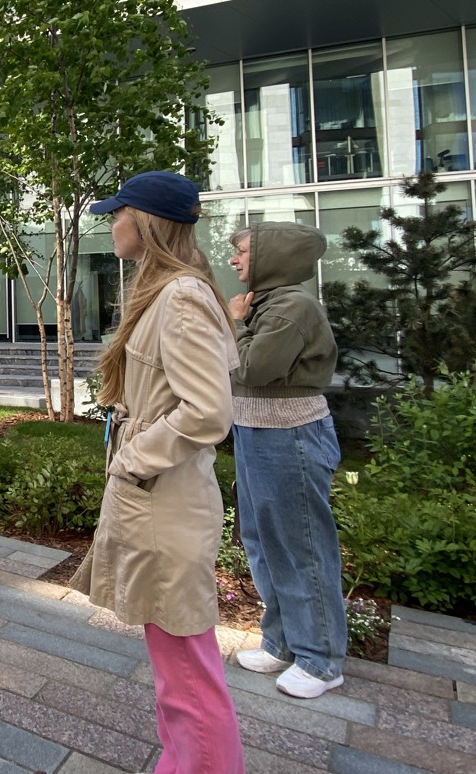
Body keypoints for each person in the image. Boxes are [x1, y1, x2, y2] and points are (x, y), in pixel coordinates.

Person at [73, 171, 245, 774]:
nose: (110, 221)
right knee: (178, 666)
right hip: (158, 498)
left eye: (118, 211)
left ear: (144, 220)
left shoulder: (180, 297)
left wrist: (134, 455)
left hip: (164, 501)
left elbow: (208, 411)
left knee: (187, 674)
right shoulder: (170, 291)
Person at [227, 221, 346, 699]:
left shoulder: (293, 307)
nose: (234, 260)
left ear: (273, 256)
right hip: (257, 432)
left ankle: (320, 660)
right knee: (262, 541)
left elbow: (254, 368)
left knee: (301, 547)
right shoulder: (268, 303)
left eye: (243, 252)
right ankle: (282, 641)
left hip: (289, 436)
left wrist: (235, 324)